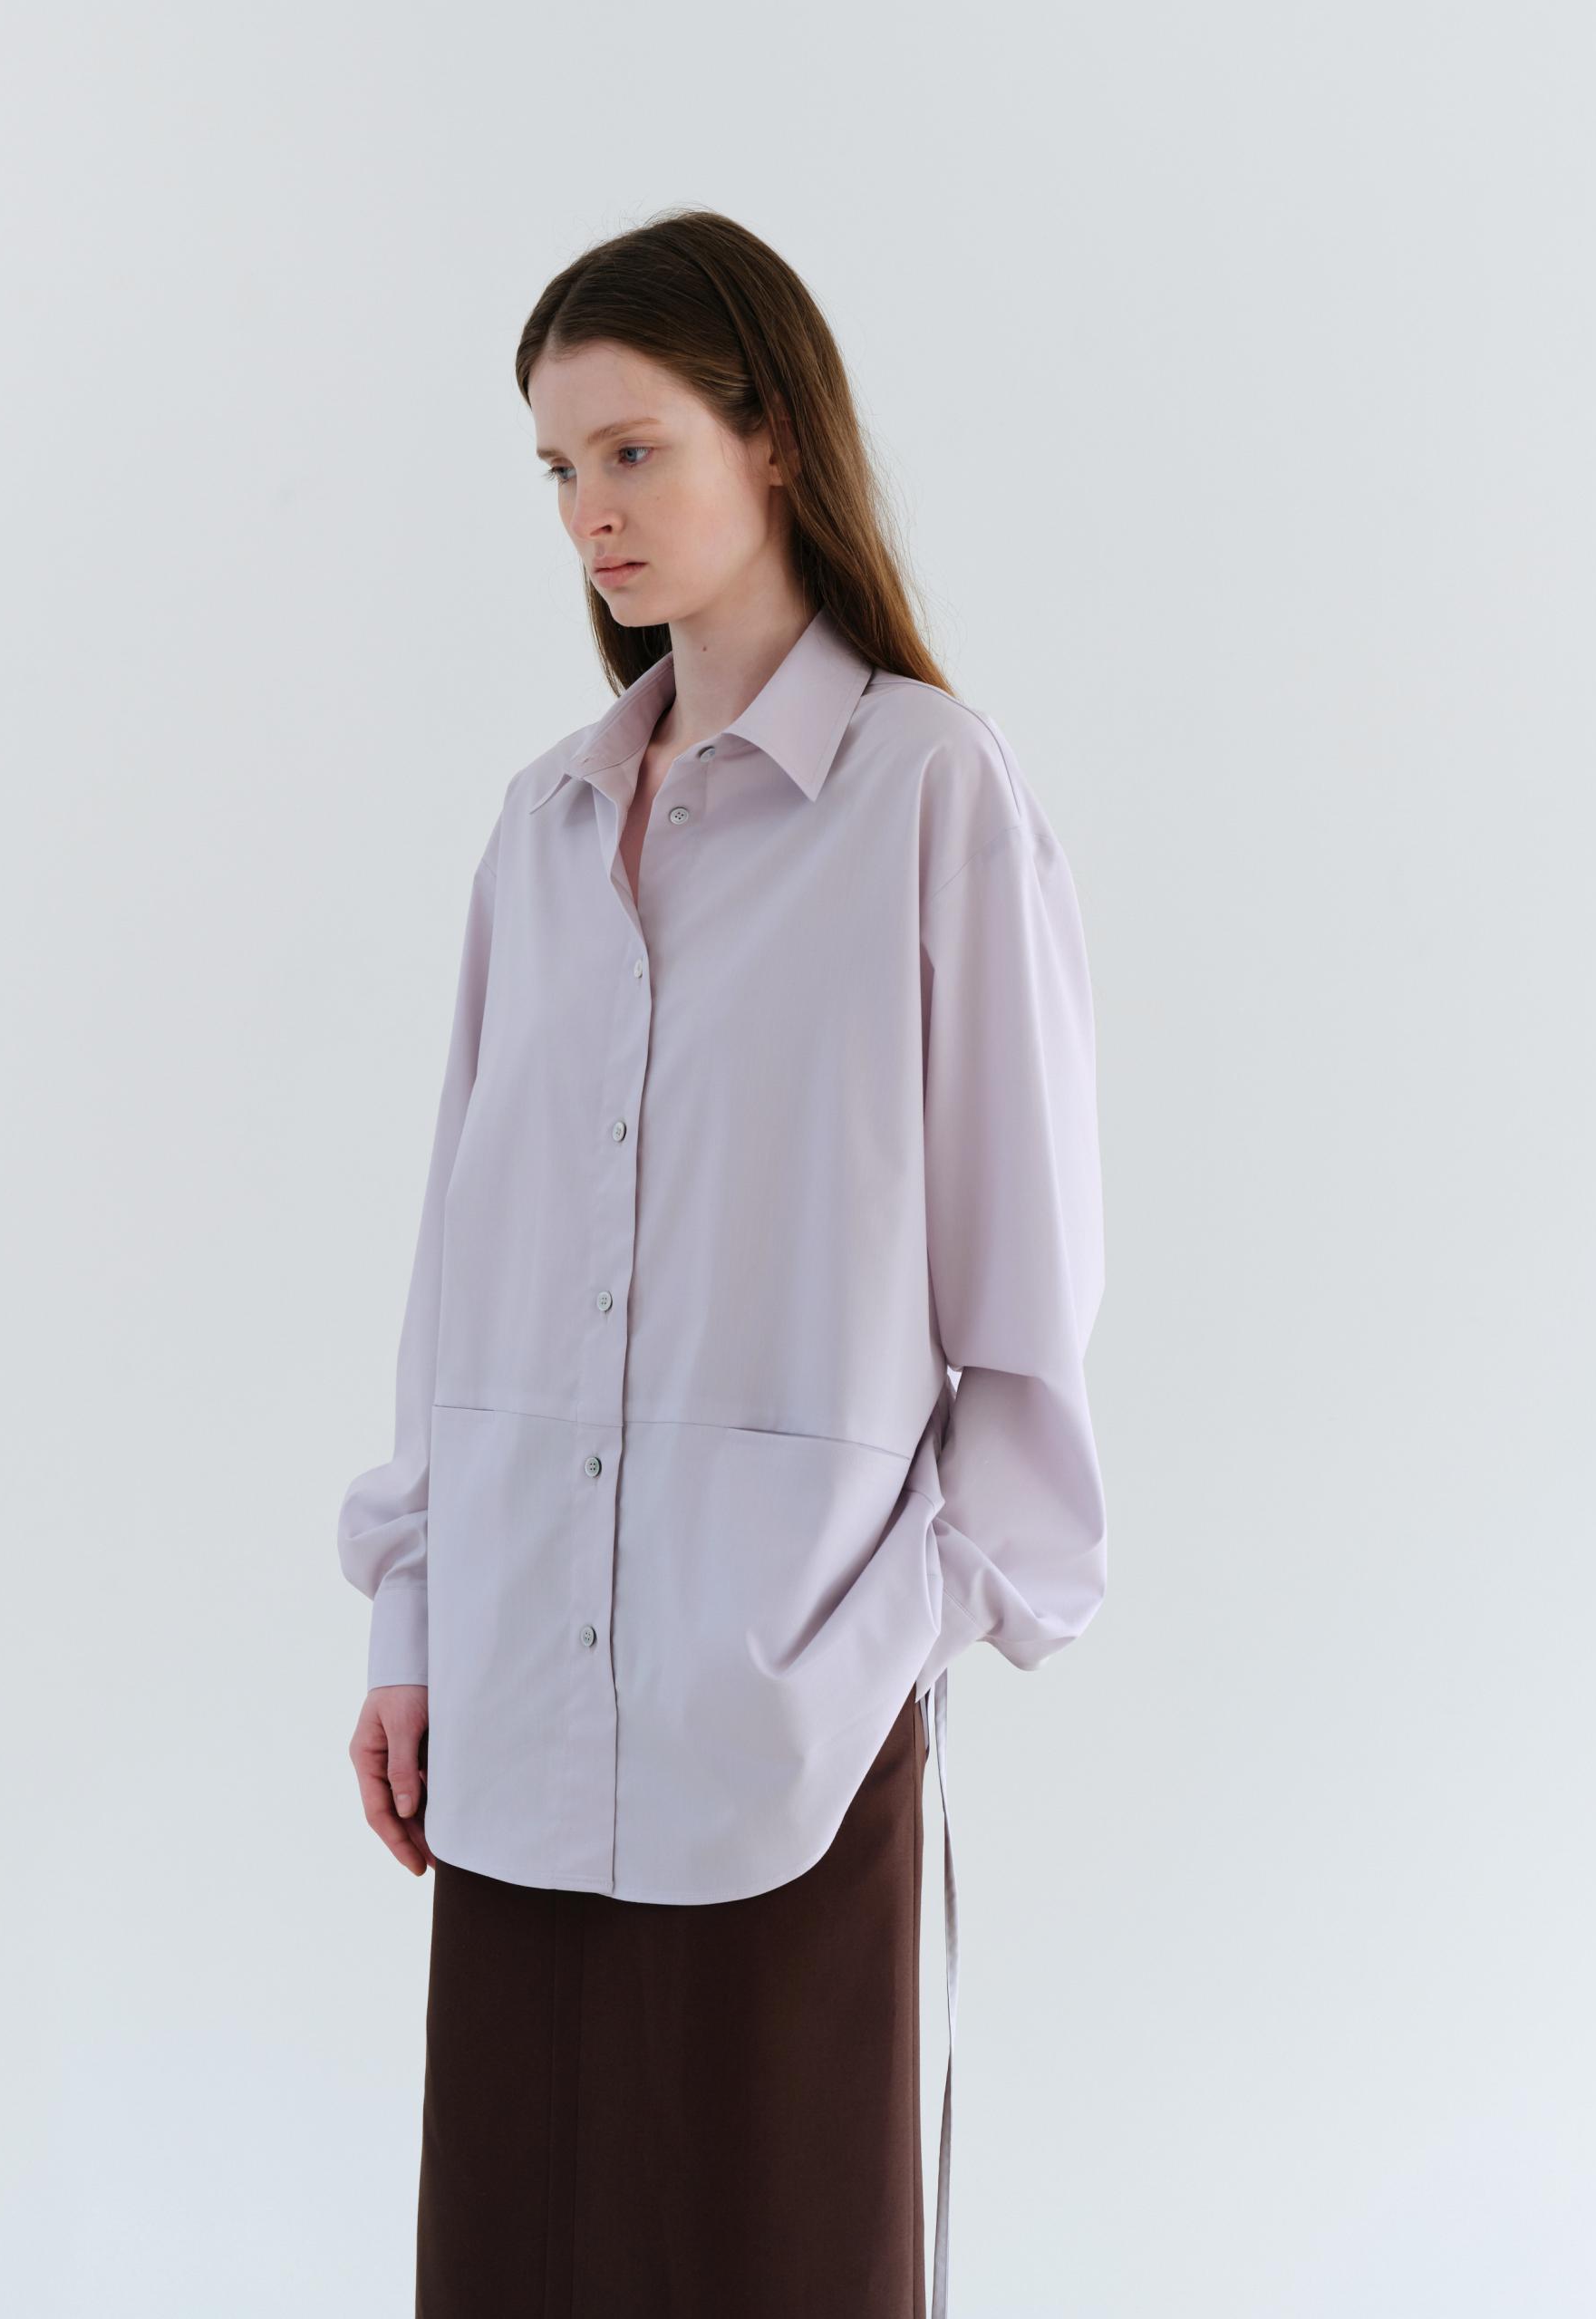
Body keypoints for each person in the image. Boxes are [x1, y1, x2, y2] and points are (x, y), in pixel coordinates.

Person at [335, 207, 1108, 2319]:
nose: (589, 510)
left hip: (788, 1719)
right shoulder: (541, 827)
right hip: (513, 1704)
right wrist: (413, 1605)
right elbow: (463, 1256)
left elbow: (1025, 1289)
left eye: (633, 449)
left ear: (773, 437)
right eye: (559, 468)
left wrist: (884, 1634)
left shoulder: (931, 793)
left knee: (781, 2266)